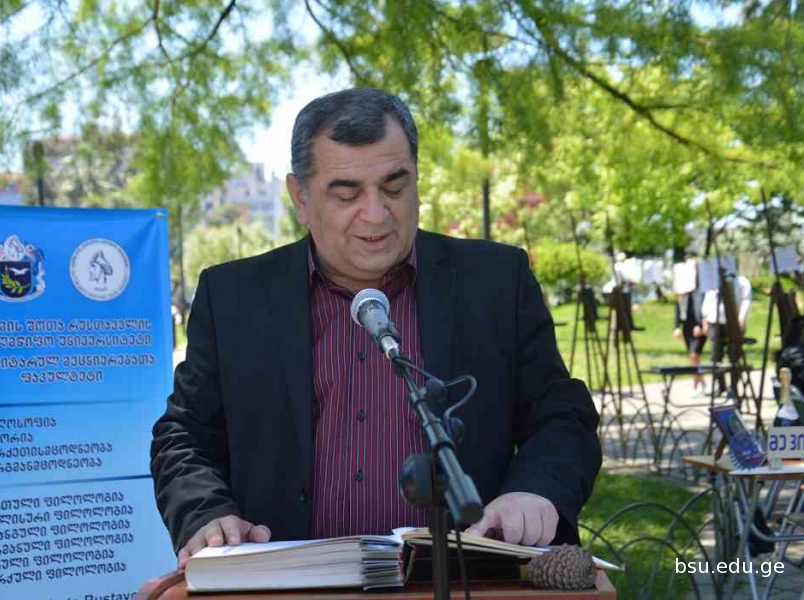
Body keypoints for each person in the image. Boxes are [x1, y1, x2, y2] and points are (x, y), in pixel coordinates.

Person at [150, 88, 601, 569]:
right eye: (347, 194)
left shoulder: (495, 282)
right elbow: (184, 434)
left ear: (417, 180)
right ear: (300, 197)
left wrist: (534, 491)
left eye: (394, 187)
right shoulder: (232, 297)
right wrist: (206, 513)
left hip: (462, 581)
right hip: (288, 583)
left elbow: (562, 414)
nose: (376, 214)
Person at [701, 273, 753, 395]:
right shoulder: (714, 280)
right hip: (715, 322)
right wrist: (705, 319)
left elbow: (746, 300)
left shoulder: (742, 281)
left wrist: (741, 317)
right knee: (715, 356)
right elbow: (708, 298)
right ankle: (720, 385)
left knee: (734, 356)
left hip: (733, 322)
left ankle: (733, 387)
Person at [672, 259, 707, 395]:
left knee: (694, 354)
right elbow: (677, 309)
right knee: (693, 357)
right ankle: (702, 382)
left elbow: (704, 309)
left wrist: (700, 325)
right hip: (687, 326)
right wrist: (676, 327)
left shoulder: (702, 290)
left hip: (699, 327)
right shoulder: (682, 291)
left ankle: (695, 386)